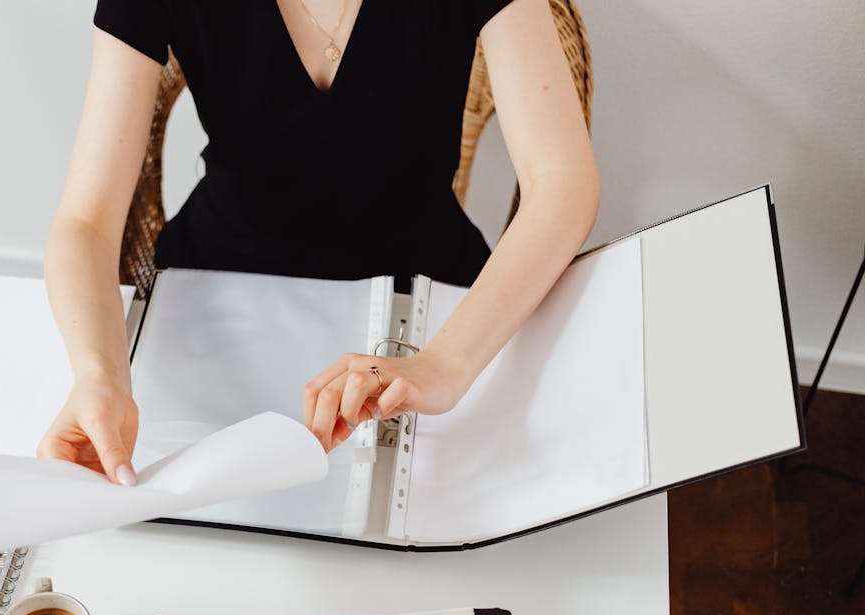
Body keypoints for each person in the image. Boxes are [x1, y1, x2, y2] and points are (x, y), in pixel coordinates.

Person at [38, 0, 599, 484]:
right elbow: (86, 221)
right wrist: (99, 374)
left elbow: (563, 185)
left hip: (424, 300)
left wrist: (444, 365)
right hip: (218, 298)